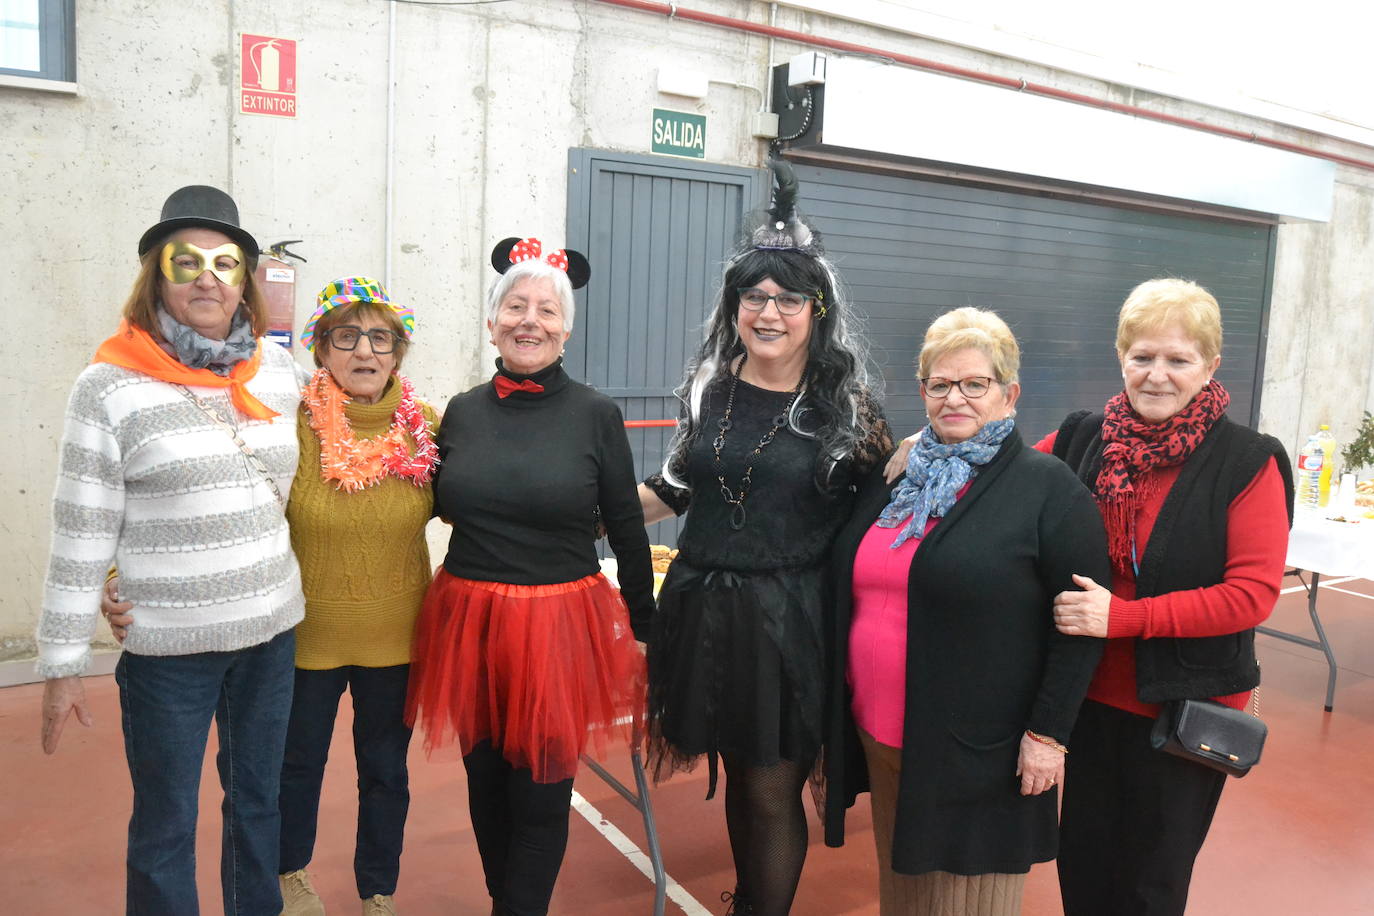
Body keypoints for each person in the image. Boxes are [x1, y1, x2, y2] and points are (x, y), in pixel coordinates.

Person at [37, 185, 304, 915]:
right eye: (185, 261)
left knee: (258, 807)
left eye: (224, 262)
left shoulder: (278, 374)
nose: (207, 277)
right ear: (156, 276)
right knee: (165, 826)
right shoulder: (108, 386)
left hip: (271, 637)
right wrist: (62, 661)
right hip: (167, 653)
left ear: (247, 281)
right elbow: (81, 525)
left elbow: (336, 455)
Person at [638, 160, 892, 916]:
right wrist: (582, 516)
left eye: (788, 298)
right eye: (755, 296)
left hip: (791, 621)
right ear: (735, 305)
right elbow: (679, 487)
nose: (769, 311)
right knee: (734, 768)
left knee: (771, 783)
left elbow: (881, 509)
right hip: (705, 607)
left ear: (817, 310)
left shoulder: (847, 405)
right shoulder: (710, 387)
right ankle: (749, 899)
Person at [824, 307, 1110, 915]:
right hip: (886, 734)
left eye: (974, 384)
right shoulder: (897, 476)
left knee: (965, 901)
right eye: (940, 383)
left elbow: (1080, 627)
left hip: (981, 749)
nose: (955, 397)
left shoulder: (1049, 490)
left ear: (1009, 394)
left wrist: (1049, 736)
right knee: (903, 893)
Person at [404, 237, 654, 916]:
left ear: (566, 329)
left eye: (546, 309)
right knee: (484, 784)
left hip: (556, 626)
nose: (529, 320)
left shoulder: (595, 414)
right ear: (492, 321)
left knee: (540, 794)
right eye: (516, 305)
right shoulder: (461, 411)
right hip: (469, 621)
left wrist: (645, 628)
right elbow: (410, 501)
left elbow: (628, 529)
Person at [1045, 279, 1292, 915]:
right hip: (1089, 700)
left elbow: (1250, 595)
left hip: (1183, 711)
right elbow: (1006, 477)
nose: (1157, 376)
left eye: (1178, 360)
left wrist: (1123, 618)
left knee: (1150, 882)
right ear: (1120, 355)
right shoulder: (1085, 438)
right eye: (1143, 357)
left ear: (1210, 366)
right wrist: (928, 446)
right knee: (1085, 863)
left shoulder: (1247, 461)